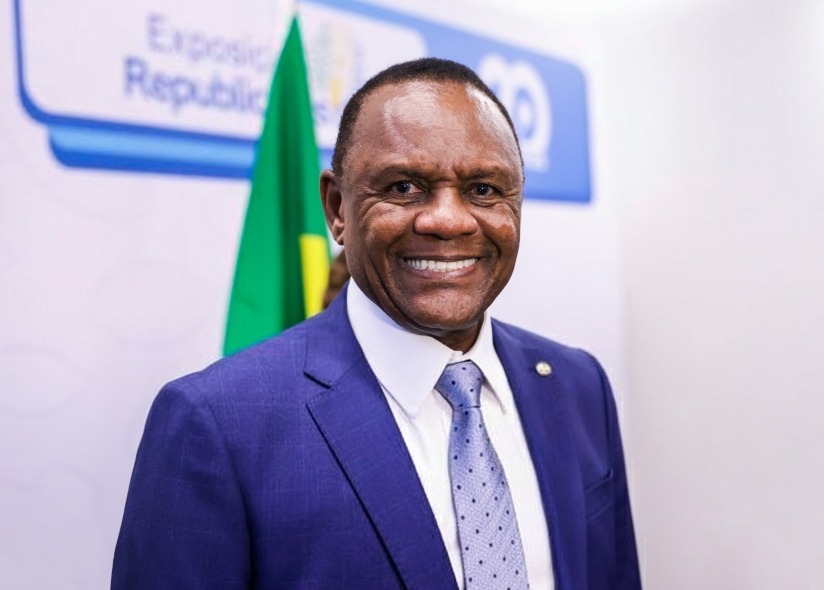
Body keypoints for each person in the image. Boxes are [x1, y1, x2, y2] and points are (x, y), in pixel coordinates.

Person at [112, 58, 641, 590]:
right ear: (337, 208)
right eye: (405, 186)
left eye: (483, 189)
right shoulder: (216, 423)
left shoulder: (577, 386)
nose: (448, 220)